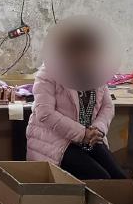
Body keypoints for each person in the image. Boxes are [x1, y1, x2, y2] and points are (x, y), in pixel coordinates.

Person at [26, 17, 126, 180]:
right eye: (80, 51)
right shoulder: (49, 73)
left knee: (119, 178)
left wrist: (97, 129)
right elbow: (44, 113)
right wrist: (82, 134)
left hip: (88, 139)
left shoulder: (95, 73)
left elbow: (107, 106)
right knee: (100, 177)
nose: (86, 57)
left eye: (90, 52)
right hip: (56, 142)